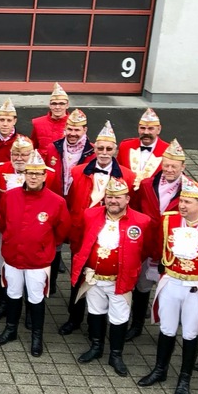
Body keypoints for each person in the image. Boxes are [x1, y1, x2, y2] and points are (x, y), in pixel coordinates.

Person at [138, 178, 198, 394]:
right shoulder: (168, 221)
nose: (182, 205)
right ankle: (160, 370)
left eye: (188, 202)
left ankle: (185, 378)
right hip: (171, 281)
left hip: (197, 286)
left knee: (190, 332)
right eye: (181, 200)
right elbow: (160, 247)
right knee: (167, 329)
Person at [58, 121, 137, 336]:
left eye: (108, 149)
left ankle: (108, 320)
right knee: (78, 276)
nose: (103, 153)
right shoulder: (77, 171)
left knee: (108, 275)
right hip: (82, 234)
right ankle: (74, 317)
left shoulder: (128, 177)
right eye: (100, 148)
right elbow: (73, 203)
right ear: (94, 149)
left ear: (116, 151)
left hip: (113, 234)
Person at [70, 177, 154, 376]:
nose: (113, 201)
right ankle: (96, 347)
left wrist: (129, 266)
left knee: (119, 317)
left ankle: (116, 354)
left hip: (121, 280)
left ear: (127, 199)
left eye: (118, 197)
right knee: (95, 311)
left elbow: (146, 248)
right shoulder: (90, 215)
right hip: (94, 278)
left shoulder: (142, 221)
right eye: (109, 197)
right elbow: (81, 238)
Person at [0, 151, 69, 356]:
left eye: (38, 174)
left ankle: (37, 336)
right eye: (29, 173)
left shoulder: (57, 202)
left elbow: (61, 231)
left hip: (38, 260)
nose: (33, 177)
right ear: (24, 175)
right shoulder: (9, 196)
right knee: (13, 294)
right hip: (12, 256)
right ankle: (11, 329)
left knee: (36, 299)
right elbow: (2, 221)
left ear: (45, 176)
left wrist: (44, 245)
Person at [126, 139, 189, 340]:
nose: (169, 170)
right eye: (166, 165)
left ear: (183, 167)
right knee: (142, 285)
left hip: (173, 248)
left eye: (174, 166)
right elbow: (134, 211)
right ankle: (136, 324)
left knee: (171, 289)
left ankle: (168, 328)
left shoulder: (192, 190)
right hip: (147, 244)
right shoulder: (145, 184)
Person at [0, 135, 47, 326]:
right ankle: (4, 304)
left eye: (24, 154)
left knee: (32, 273)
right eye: (16, 154)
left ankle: (30, 311)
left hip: (34, 236)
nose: (19, 158)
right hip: (5, 232)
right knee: (2, 267)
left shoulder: (46, 174)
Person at [116, 108, 168, 187]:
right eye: (142, 128)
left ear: (159, 129)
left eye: (150, 128)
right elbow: (117, 171)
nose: (146, 132)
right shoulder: (125, 146)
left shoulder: (168, 151)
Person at [30, 82, 71, 150]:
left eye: (61, 104)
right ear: (49, 105)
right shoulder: (38, 123)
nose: (57, 107)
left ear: (67, 105)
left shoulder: (74, 123)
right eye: (54, 104)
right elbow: (33, 147)